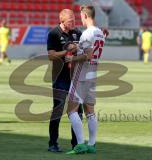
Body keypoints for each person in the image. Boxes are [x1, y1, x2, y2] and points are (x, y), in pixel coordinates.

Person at [65, 5, 105, 154]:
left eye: (81, 16)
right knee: (90, 111)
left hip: (81, 74)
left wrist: (72, 58)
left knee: (71, 110)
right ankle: (92, 144)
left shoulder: (87, 33)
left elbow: (87, 55)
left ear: (85, 16)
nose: (80, 19)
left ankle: (81, 144)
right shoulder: (100, 33)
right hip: (93, 74)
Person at [47, 9, 83, 152]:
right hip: (60, 77)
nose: (74, 23)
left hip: (75, 78)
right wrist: (68, 52)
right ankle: (53, 143)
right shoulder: (54, 33)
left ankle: (76, 144)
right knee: (58, 110)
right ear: (62, 21)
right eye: (70, 21)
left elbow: (84, 50)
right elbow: (51, 55)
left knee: (77, 112)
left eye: (74, 20)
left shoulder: (77, 33)